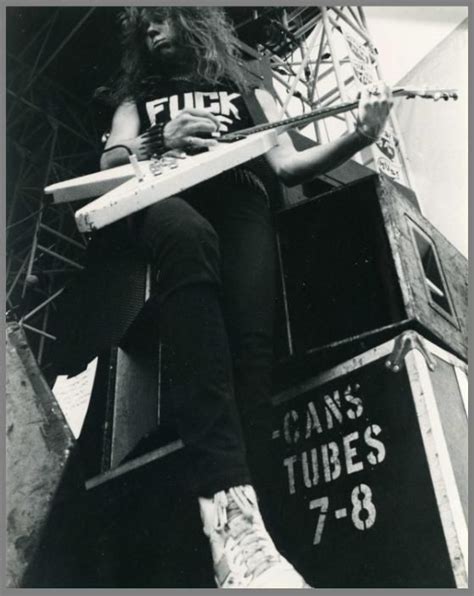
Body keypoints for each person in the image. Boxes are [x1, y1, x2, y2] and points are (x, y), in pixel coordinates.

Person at [97, 7, 392, 589]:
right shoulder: (136, 99)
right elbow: (108, 163)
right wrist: (159, 139)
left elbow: (286, 166)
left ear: (193, 22)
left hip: (239, 198)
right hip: (161, 196)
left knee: (252, 352)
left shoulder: (246, 89)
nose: (152, 31)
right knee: (188, 238)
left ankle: (250, 544)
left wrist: (360, 133)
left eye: (163, 19)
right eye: (145, 25)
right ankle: (222, 503)